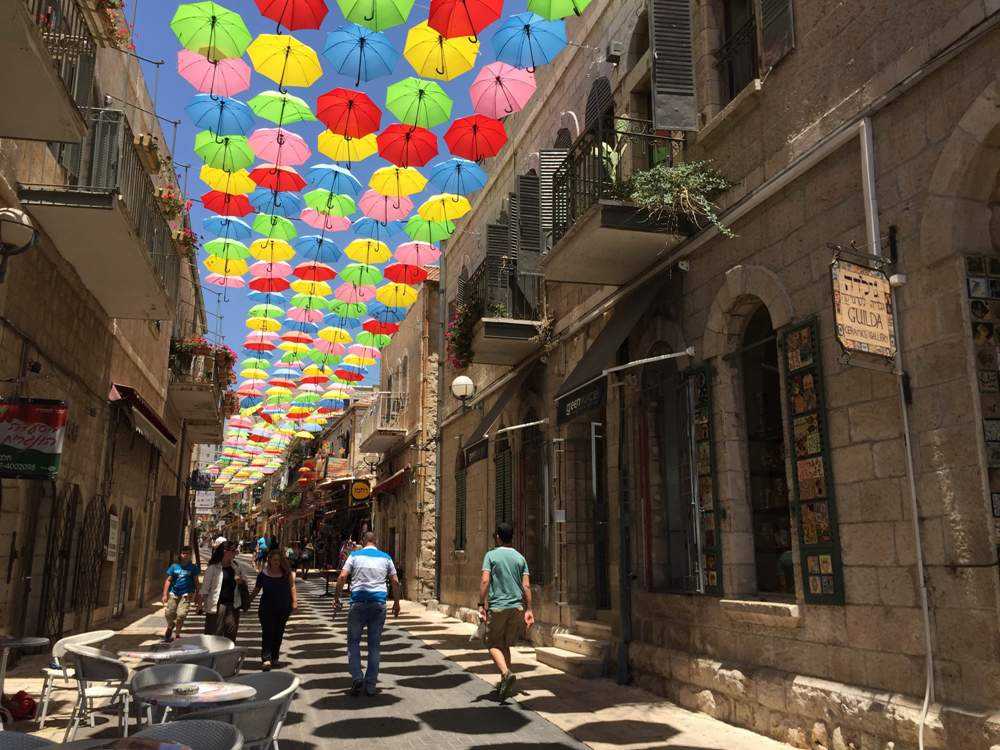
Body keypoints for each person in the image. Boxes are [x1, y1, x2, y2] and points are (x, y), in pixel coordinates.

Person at [333, 531, 401, 697]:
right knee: (374, 646)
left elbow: (342, 577)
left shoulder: (355, 556)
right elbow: (395, 581)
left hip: (358, 603)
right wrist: (397, 603)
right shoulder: (386, 557)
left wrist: (337, 598)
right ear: (375, 541)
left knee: (353, 642)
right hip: (378, 604)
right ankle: (370, 685)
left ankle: (357, 677)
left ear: (363, 541)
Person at [479, 522, 534, 701]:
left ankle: (506, 673)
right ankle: (505, 684)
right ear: (512, 537)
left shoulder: (491, 555)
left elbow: (485, 581)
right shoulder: (520, 558)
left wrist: (481, 603)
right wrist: (529, 609)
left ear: (498, 537)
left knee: (492, 644)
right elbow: (526, 585)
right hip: (517, 607)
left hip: (498, 606)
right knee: (505, 645)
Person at [249, 548, 297, 671]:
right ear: (269, 560)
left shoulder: (286, 573)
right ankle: (266, 658)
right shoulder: (263, 574)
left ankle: (275, 657)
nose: (277, 562)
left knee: (279, 632)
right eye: (274, 560)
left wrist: (294, 602)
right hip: (266, 608)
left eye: (279, 560)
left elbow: (292, 586)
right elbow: (256, 589)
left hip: (283, 607)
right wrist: (248, 601)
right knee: (267, 632)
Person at [198, 541, 245, 641]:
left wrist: (240, 581)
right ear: (225, 551)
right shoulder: (213, 568)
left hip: (233, 606)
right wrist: (200, 604)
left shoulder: (236, 567)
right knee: (214, 636)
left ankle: (228, 656)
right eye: (233, 550)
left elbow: (243, 583)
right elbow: (205, 588)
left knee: (230, 636)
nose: (235, 553)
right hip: (217, 606)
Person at [161, 546, 200, 642]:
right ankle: (170, 626)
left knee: (181, 615)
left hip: (186, 594)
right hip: (174, 593)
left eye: (188, 553)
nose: (185, 555)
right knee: (169, 613)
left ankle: (177, 634)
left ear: (190, 555)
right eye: (183, 553)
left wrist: (198, 595)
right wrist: (165, 594)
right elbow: (168, 580)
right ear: (180, 554)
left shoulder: (193, 568)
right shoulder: (174, 566)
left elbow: (196, 582)